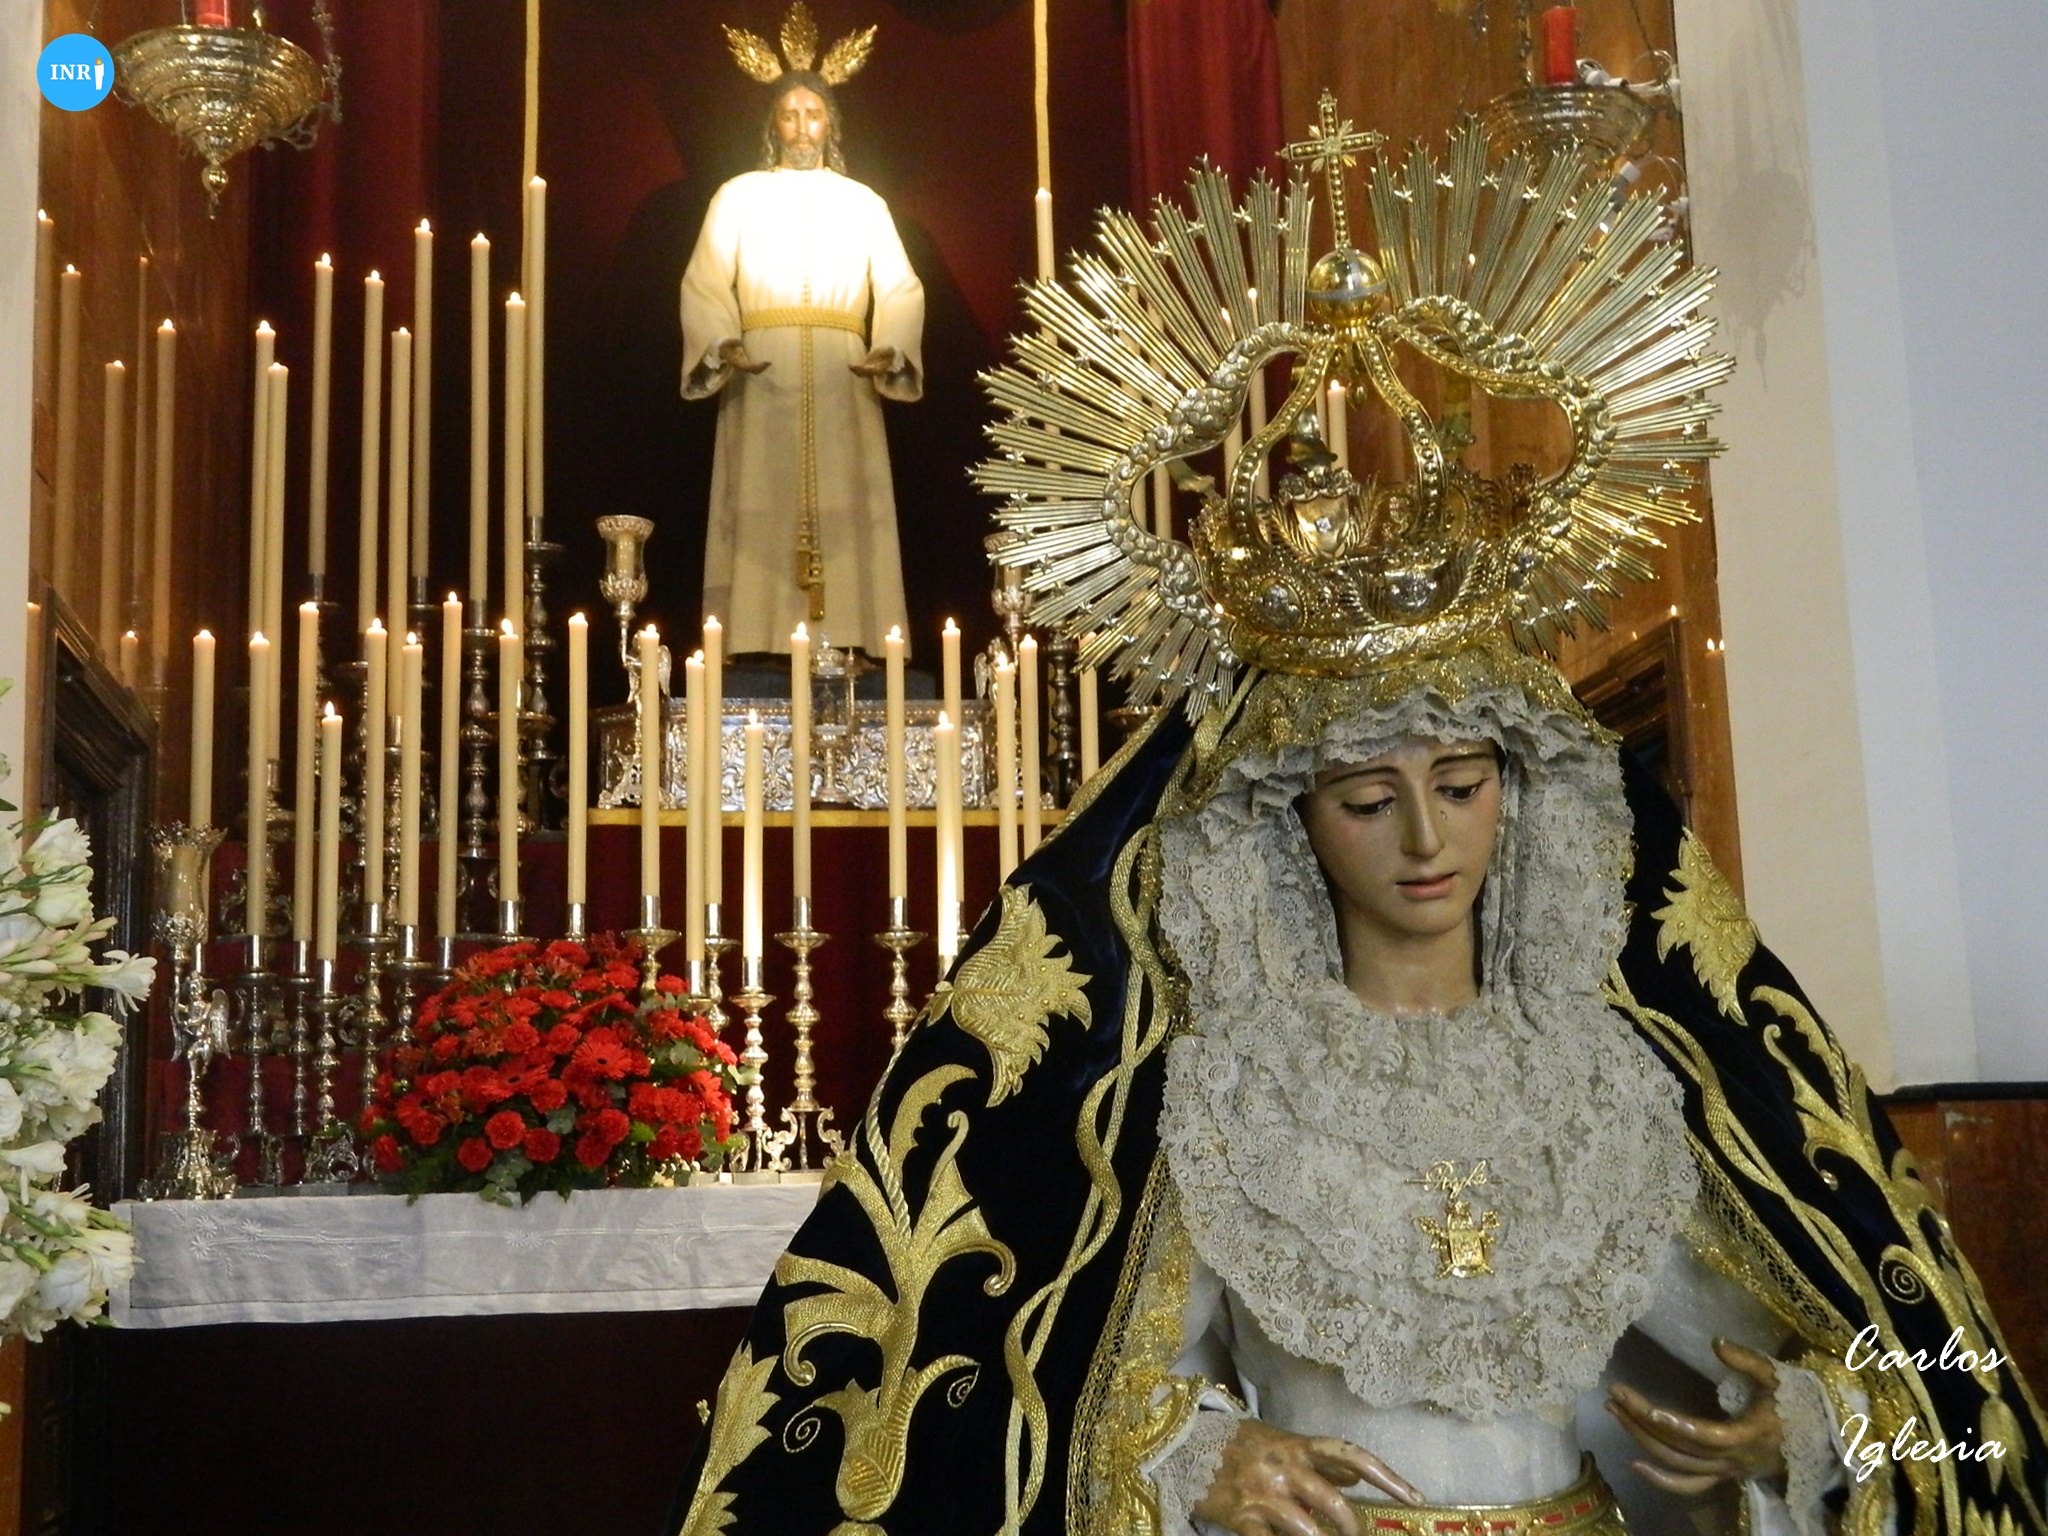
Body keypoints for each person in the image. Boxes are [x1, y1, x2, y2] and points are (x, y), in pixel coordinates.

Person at [665, 119, 2046, 1536]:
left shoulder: (1604, 1083)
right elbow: (1059, 1373)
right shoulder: (1233, 1092)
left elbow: (1897, 1345)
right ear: (1290, 826)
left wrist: (1810, 1422)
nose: (1426, 840)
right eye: (1370, 801)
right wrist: (1196, 1455)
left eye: (1464, 784)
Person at [681, 11, 924, 659]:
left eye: (813, 114)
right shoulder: (737, 198)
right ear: (772, 125)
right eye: (789, 115)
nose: (801, 127)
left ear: (830, 124)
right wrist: (721, 340)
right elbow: (704, 281)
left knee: (852, 504)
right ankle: (755, 636)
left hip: (846, 375)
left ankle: (854, 634)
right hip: (762, 373)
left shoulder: (863, 203)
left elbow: (901, 286)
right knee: (758, 501)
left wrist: (890, 344)